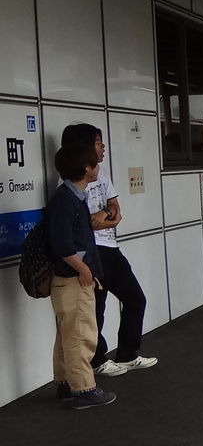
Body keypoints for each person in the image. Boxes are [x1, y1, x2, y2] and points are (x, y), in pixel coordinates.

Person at [60, 124, 157, 379]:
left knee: (135, 299)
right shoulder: (69, 182)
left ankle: (127, 354)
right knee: (96, 309)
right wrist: (106, 216)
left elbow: (116, 212)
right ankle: (97, 360)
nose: (103, 147)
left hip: (111, 248)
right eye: (97, 143)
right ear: (84, 148)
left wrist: (104, 214)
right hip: (91, 252)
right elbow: (86, 225)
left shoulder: (100, 174)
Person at [48, 143, 115, 410]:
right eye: (95, 163)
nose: (98, 166)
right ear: (86, 168)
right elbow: (62, 244)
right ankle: (84, 390)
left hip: (69, 278)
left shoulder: (71, 197)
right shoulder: (67, 200)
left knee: (68, 334)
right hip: (73, 278)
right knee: (80, 335)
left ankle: (67, 383)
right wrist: (84, 269)